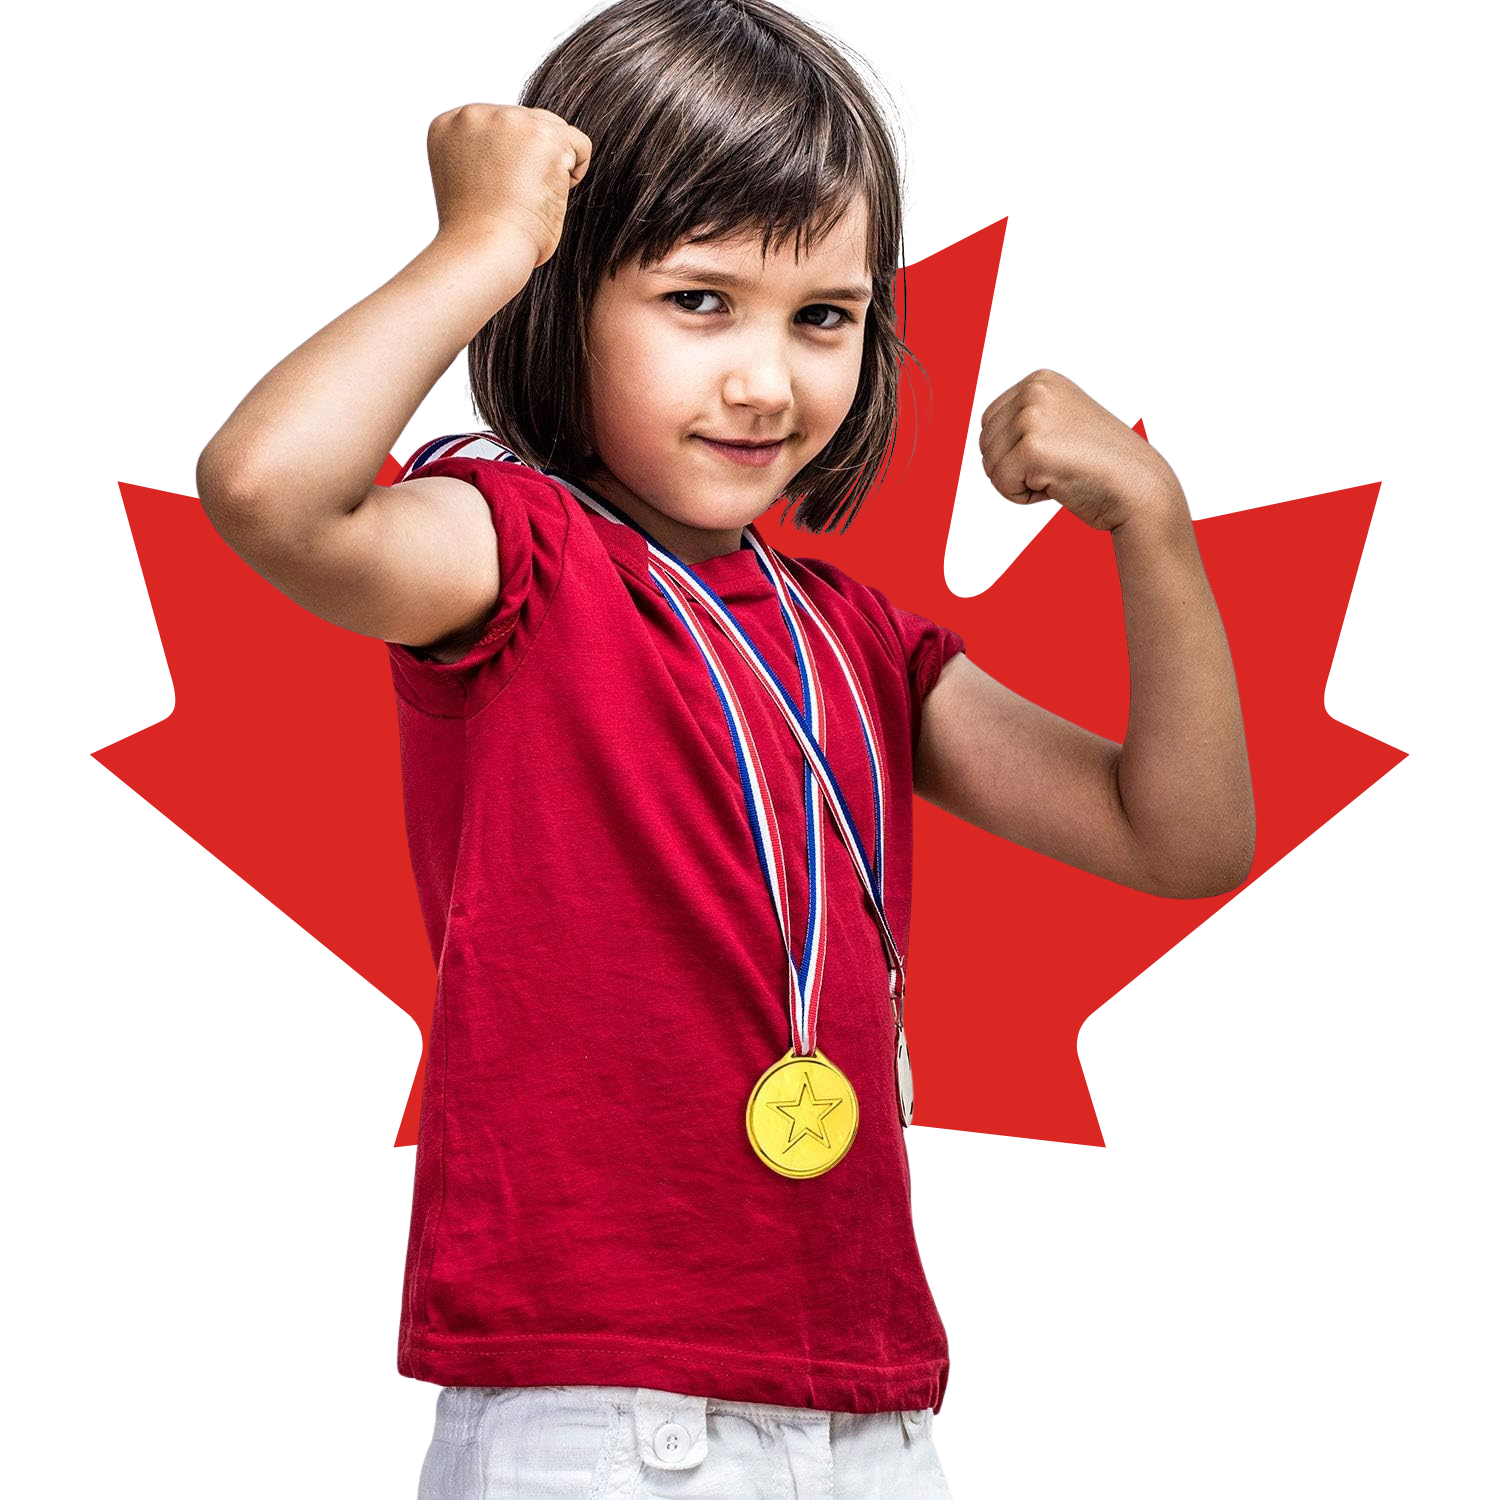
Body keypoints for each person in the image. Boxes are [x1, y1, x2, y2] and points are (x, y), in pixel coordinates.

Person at [194, 1, 1255, 1494]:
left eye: (823, 315)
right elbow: (268, 492)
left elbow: (1180, 839)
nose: (770, 380)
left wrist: (1153, 521)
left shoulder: (856, 639)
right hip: (603, 1399)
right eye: (702, 302)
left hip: (869, 1393)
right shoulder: (515, 554)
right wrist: (485, 246)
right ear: (561, 293)